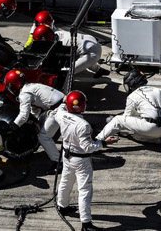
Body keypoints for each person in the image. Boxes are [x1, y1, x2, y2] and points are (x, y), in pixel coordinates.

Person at [49, 90, 118, 231]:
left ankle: (62, 206)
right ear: (82, 106)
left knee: (65, 181)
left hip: (67, 156)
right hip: (81, 161)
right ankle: (86, 224)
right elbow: (88, 147)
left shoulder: (61, 115)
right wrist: (104, 143)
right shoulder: (83, 125)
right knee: (85, 190)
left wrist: (65, 100)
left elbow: (60, 108)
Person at [4, 69, 63, 172]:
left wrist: (13, 126)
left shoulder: (24, 94)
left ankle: (58, 163)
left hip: (58, 110)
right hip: (59, 106)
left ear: (15, 85)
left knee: (43, 136)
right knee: (39, 128)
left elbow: (23, 116)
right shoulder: (31, 87)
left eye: (10, 86)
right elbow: (34, 111)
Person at [96, 69, 161, 145]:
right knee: (137, 135)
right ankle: (160, 140)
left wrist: (112, 122)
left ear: (132, 83)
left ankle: (97, 140)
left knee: (118, 120)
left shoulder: (132, 96)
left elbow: (126, 118)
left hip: (149, 128)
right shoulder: (159, 90)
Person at [31, 24, 110, 78]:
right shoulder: (58, 33)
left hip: (92, 51)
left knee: (67, 72)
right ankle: (99, 70)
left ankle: (63, 93)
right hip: (90, 42)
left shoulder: (64, 42)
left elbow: (59, 59)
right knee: (82, 59)